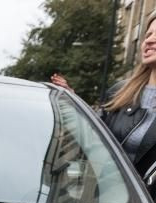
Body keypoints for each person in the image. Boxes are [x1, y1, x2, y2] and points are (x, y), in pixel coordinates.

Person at [54, 17, 156, 174]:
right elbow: (92, 137)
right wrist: (74, 104)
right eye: (148, 35)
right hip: (113, 194)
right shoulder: (121, 91)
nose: (149, 40)